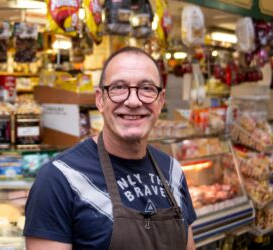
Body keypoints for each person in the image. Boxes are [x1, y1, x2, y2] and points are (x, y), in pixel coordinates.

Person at [23, 47, 197, 250]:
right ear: (100, 99)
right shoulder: (61, 179)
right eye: (119, 87)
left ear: (160, 100)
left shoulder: (172, 171)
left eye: (147, 88)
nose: (133, 101)